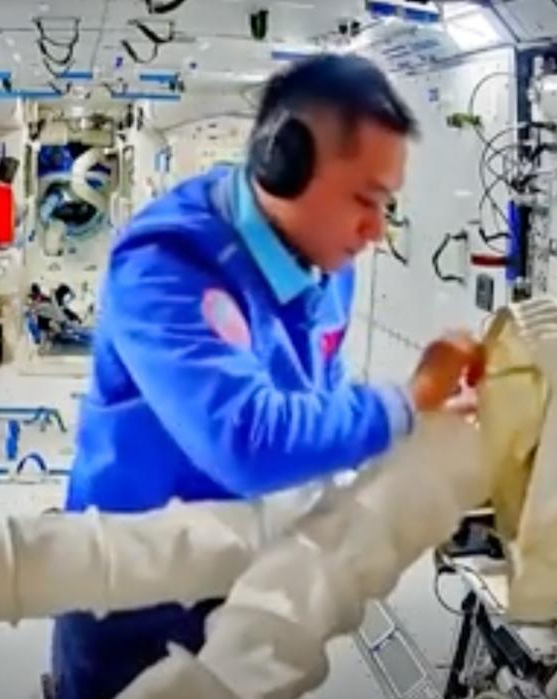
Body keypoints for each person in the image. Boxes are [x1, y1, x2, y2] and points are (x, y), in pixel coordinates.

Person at [51, 54, 484, 699]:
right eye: (363, 200)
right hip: (133, 594)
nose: (376, 229)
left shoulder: (328, 262)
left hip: (247, 574)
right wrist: (408, 401)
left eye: (386, 203)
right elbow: (245, 440)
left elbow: (316, 400)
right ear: (284, 163)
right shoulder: (166, 263)